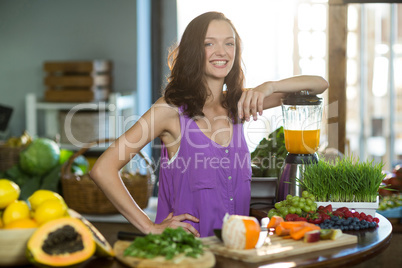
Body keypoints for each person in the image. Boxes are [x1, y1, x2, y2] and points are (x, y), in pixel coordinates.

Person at [90, 11, 328, 238]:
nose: (222, 52)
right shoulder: (169, 110)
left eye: (229, 43)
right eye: (209, 43)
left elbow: (320, 84)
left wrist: (270, 86)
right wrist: (150, 227)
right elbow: (103, 168)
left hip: (235, 251)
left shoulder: (239, 105)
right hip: (186, 254)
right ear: (194, 50)